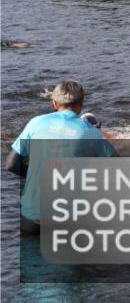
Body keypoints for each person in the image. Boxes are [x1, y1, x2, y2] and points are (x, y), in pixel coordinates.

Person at [4, 80, 117, 234]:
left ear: (54, 103)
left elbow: (11, 164)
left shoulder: (35, 123)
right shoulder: (90, 131)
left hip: (32, 218)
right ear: (82, 103)